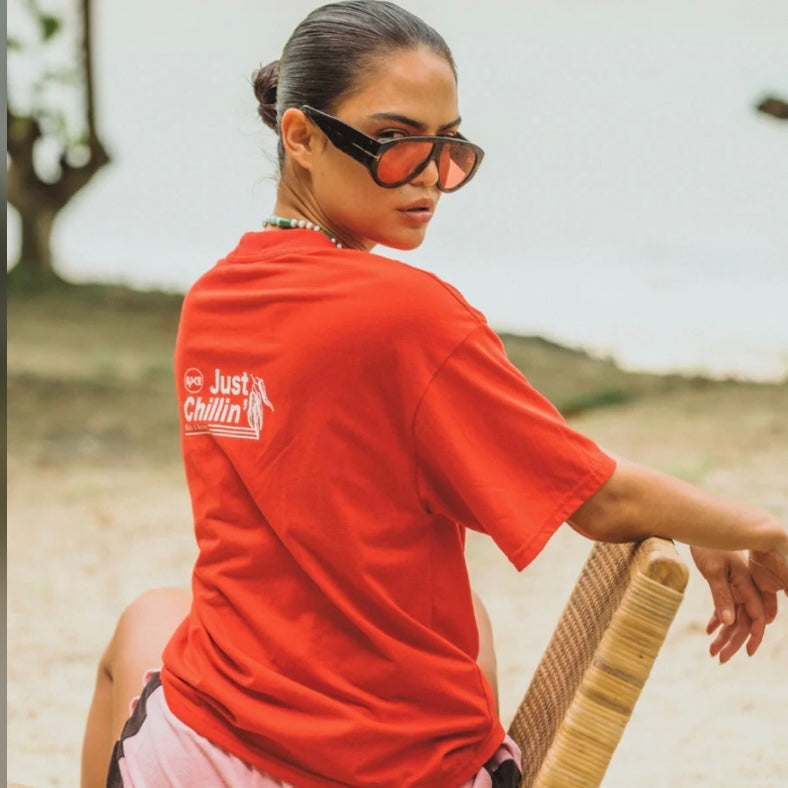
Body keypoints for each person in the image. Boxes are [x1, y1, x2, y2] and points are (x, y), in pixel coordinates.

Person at [80, 2, 788, 786]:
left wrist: (687, 515)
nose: (428, 176)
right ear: (301, 136)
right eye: (393, 142)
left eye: (448, 146)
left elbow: (562, 473)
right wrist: (756, 527)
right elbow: (594, 501)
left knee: (146, 622)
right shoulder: (409, 315)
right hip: (391, 766)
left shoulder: (212, 302)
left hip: (213, 742)